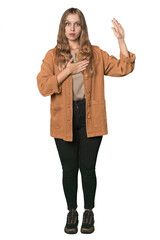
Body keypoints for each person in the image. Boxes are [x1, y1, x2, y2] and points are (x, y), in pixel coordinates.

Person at [36, 7, 136, 234]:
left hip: (91, 117)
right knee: (69, 169)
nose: (72, 29)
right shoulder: (52, 56)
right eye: (68, 24)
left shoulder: (95, 54)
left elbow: (124, 67)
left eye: (77, 24)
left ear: (83, 27)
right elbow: (43, 86)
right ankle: (72, 211)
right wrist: (67, 71)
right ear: (63, 28)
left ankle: (88, 211)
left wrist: (121, 40)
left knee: (88, 169)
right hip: (63, 118)